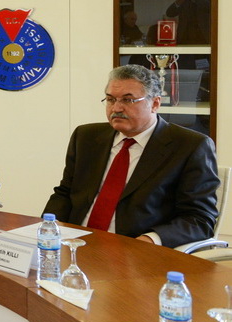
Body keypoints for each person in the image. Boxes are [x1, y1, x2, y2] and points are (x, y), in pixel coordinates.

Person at [43, 64, 219, 247]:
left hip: (135, 249)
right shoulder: (86, 137)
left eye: (128, 100)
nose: (116, 108)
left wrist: (150, 240)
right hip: (74, 243)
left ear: (155, 103)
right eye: (110, 99)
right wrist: (49, 226)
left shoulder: (190, 146)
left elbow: (199, 219)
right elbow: (65, 192)